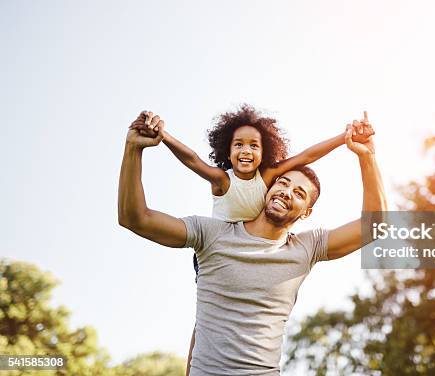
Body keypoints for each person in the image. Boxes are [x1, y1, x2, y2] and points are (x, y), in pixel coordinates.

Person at [118, 111, 386, 375]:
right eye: (283, 182)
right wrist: (133, 149)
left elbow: (376, 226)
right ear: (269, 187)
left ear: (306, 212)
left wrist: (367, 157)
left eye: (299, 192)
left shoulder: (306, 248)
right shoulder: (211, 234)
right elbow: (135, 218)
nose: (286, 191)